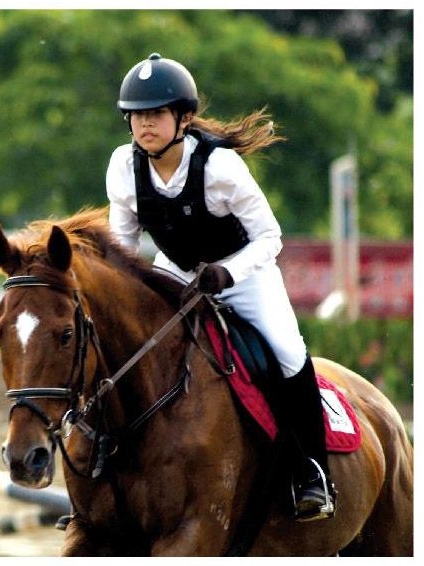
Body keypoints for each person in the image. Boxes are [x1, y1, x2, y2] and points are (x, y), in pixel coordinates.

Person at [105, 53, 335, 521]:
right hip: (177, 271)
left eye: (155, 114)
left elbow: (270, 237)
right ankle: (110, 470)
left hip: (244, 274)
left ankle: (312, 473)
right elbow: (121, 251)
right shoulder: (122, 168)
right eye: (136, 116)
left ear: (183, 118)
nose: (144, 125)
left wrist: (226, 274)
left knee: (288, 351)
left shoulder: (220, 167)